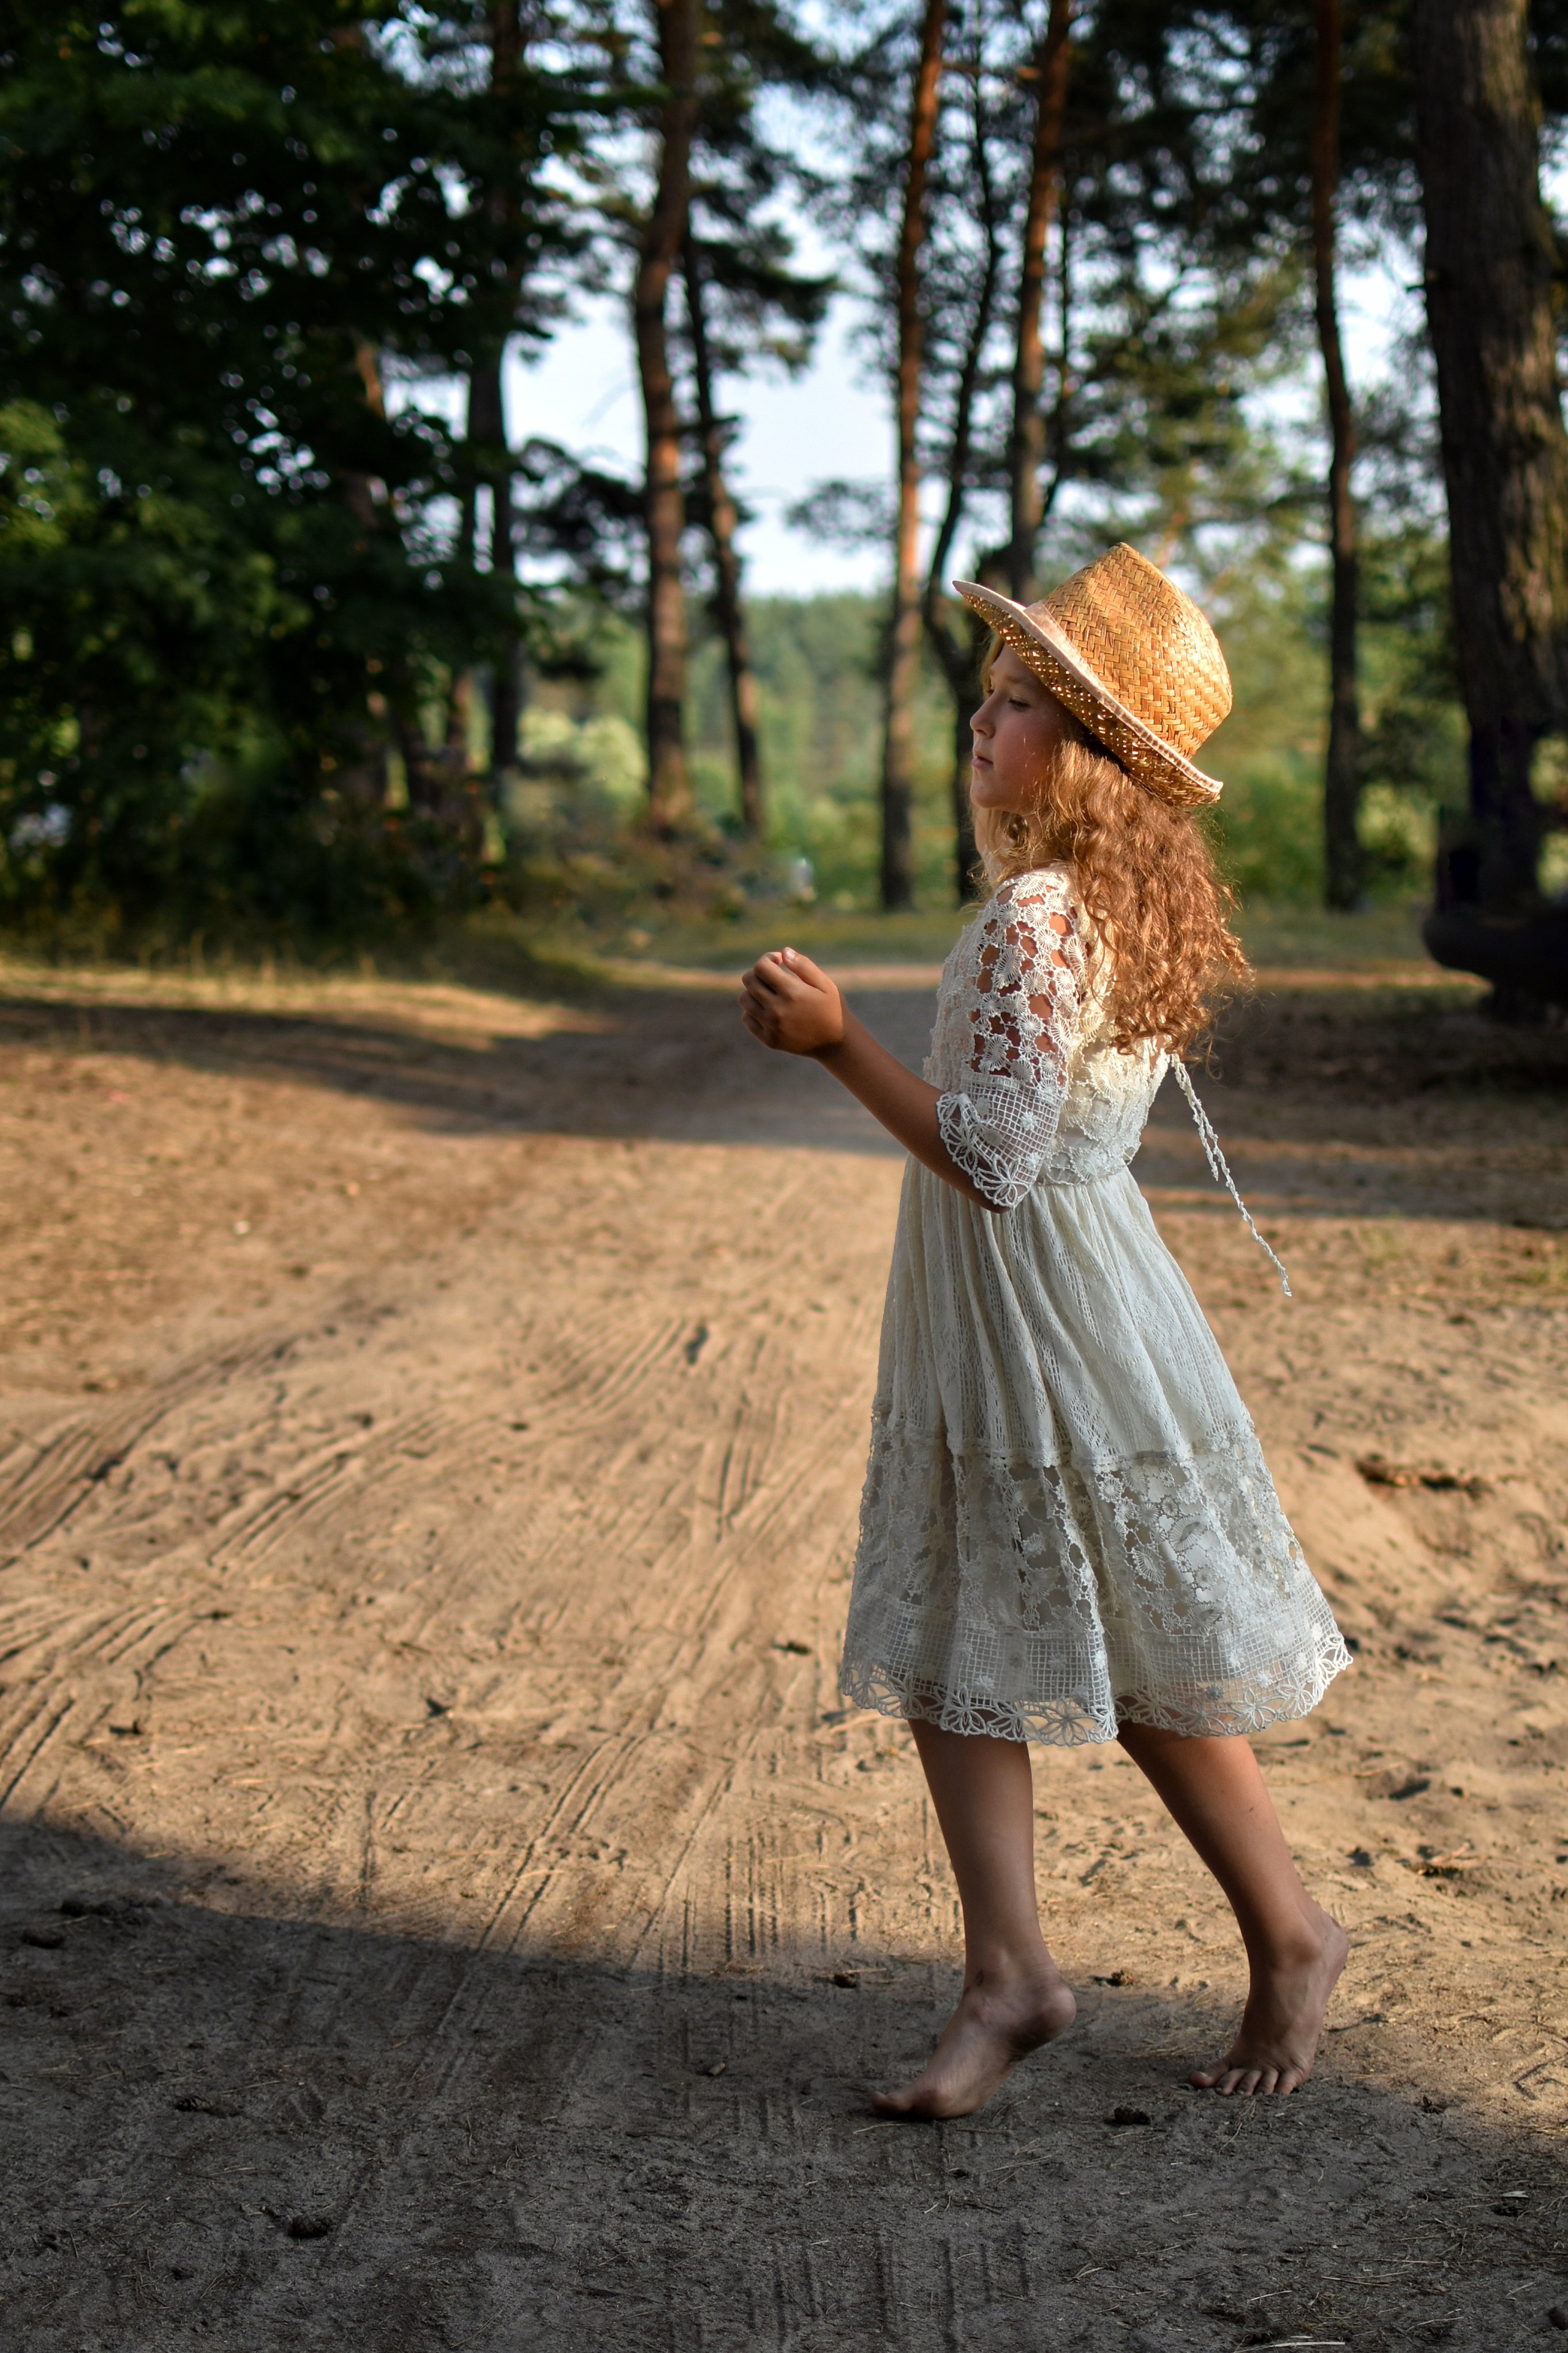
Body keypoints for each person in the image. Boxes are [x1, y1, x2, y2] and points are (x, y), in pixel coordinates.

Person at [739, 545, 1351, 2118]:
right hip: (1052, 1303)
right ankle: (1011, 1972)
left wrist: (833, 1045)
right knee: (996, 1625)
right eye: (991, 694)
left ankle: (1278, 1935)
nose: (982, 722)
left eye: (1020, 706)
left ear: (1090, 759)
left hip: (1037, 1309)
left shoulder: (1032, 919)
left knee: (1104, 1638)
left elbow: (996, 1162)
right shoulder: (1088, 905)